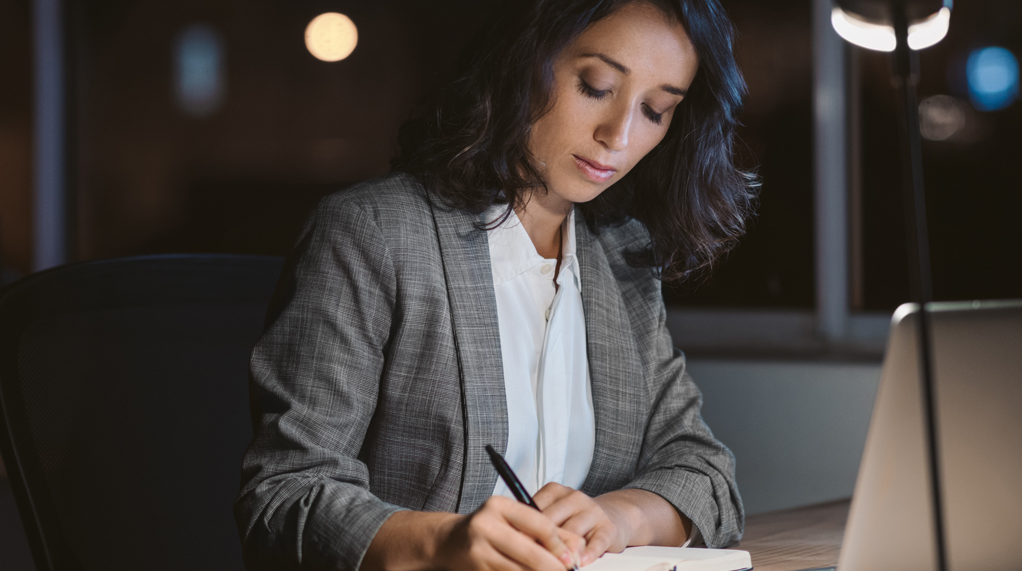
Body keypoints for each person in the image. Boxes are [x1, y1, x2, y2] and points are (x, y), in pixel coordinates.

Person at [236, 0, 756, 569]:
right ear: (522, 61)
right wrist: (441, 545)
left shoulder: (620, 255)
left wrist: (620, 516)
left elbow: (706, 473)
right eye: (596, 86)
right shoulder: (375, 235)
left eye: (656, 110)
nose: (619, 135)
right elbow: (284, 494)